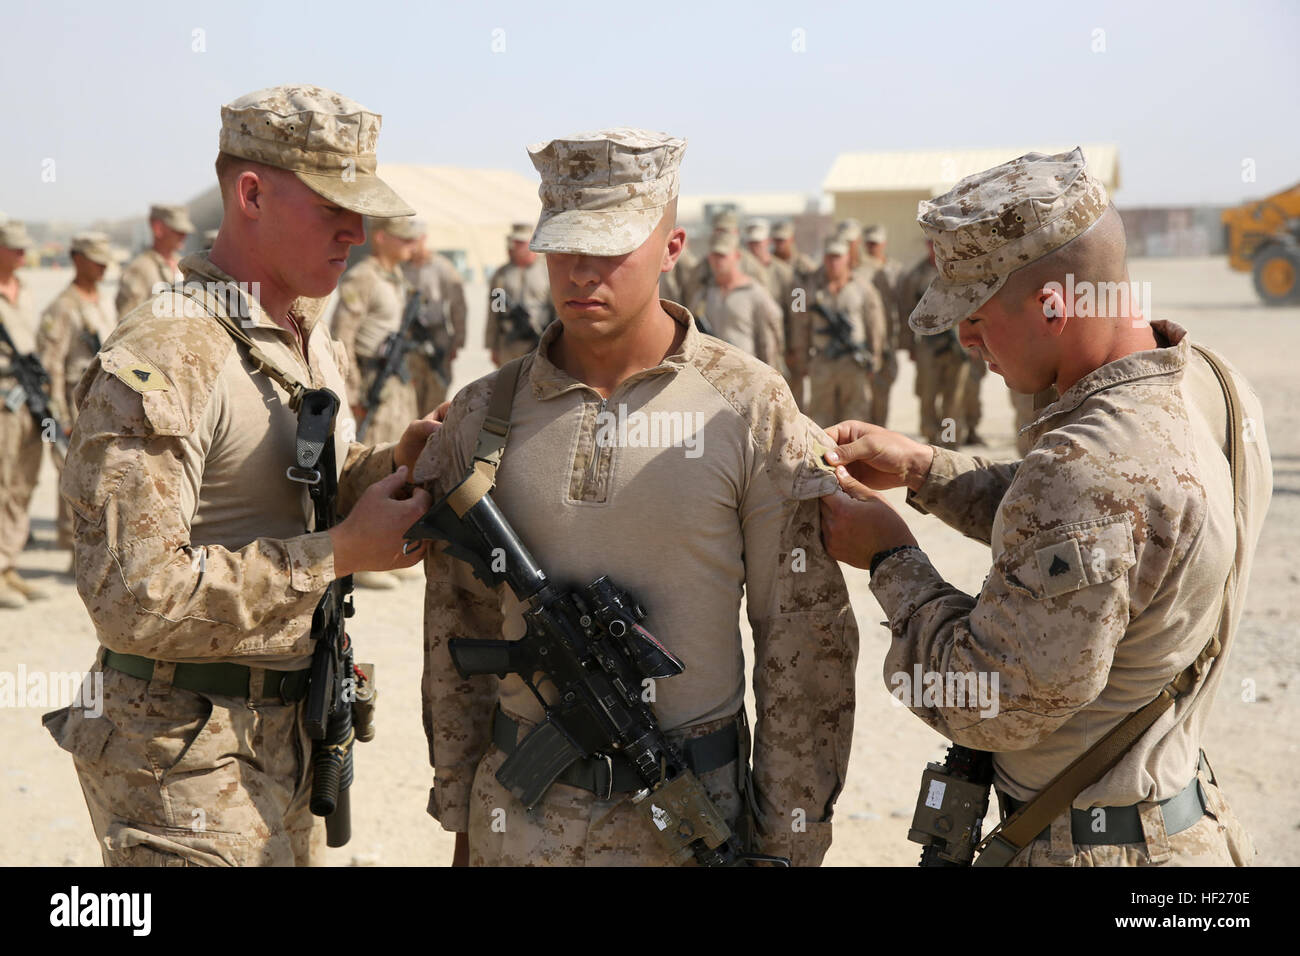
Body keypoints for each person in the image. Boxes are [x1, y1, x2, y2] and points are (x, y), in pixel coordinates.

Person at [416, 127, 858, 868]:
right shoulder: (482, 412)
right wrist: (464, 819)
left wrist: (789, 842)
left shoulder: (748, 407)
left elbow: (803, 642)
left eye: (612, 246)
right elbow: (453, 632)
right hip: (520, 820)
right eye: (564, 245)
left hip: (686, 818)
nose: (583, 272)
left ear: (673, 246)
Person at [818, 148, 1270, 867]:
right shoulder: (1208, 383)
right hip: (1173, 819)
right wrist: (927, 470)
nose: (965, 339)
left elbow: (985, 701)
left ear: (1054, 305)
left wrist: (888, 557)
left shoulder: (1088, 469)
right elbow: (1101, 528)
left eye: (976, 315)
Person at [42, 84, 437, 866]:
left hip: (282, 732)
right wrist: (340, 554)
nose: (356, 232)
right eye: (333, 206)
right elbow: (131, 596)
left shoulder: (301, 335)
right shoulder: (169, 351)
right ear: (251, 194)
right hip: (177, 754)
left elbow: (290, 492)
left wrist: (388, 466)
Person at [36, 232, 116, 553]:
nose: (102, 269)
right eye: (95, 262)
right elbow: (50, 368)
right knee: (74, 482)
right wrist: (60, 416)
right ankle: (74, 552)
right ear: (77, 259)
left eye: (104, 262)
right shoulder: (63, 308)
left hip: (103, 405)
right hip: (74, 408)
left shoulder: (103, 300)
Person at [331, 216, 420, 446]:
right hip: (371, 384)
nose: (411, 244)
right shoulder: (363, 278)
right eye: (404, 239)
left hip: (396, 384)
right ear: (381, 238)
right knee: (371, 450)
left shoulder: (398, 277)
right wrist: (351, 392)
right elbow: (342, 337)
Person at [0, 221, 48, 608]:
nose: (22, 254)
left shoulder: (26, 292)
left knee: (22, 483)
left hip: (28, 399)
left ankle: (8, 563)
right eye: (14, 248)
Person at [790, 237, 884, 428]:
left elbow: (875, 325)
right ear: (824, 259)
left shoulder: (863, 288)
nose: (833, 262)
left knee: (856, 416)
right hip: (823, 361)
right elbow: (801, 326)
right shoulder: (810, 289)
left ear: (848, 258)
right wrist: (802, 360)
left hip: (854, 362)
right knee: (819, 417)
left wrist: (875, 358)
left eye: (838, 257)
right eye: (829, 257)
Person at [899, 239, 967, 446]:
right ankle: (930, 437)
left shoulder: (962, 269)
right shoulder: (916, 275)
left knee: (954, 397)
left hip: (957, 345)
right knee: (927, 394)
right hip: (928, 346)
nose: (935, 247)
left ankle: (949, 441)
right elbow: (906, 313)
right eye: (930, 243)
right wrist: (908, 345)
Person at [689, 230, 784, 369]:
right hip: (712, 373)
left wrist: (768, 371)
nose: (718, 261)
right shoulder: (704, 294)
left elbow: (770, 338)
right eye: (714, 255)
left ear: (737, 256)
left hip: (746, 374)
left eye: (723, 256)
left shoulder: (754, 293)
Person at [403, 224, 467, 416]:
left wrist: (458, 340)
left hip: (437, 339)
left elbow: (458, 305)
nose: (411, 246)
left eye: (415, 240)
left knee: (436, 397)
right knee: (409, 400)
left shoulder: (442, 267)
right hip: (409, 340)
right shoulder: (401, 267)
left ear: (424, 239)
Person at [115, 204, 194, 318]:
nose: (184, 236)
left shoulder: (183, 264)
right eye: (178, 230)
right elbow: (128, 321)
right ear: (158, 228)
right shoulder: (139, 269)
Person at [861, 225, 905, 428]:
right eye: (868, 243)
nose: (872, 247)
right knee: (864, 392)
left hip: (888, 341)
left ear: (883, 244)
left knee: (883, 389)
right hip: (865, 341)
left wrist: (905, 340)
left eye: (875, 244)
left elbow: (905, 306)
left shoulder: (896, 270)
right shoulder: (860, 271)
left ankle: (880, 430)